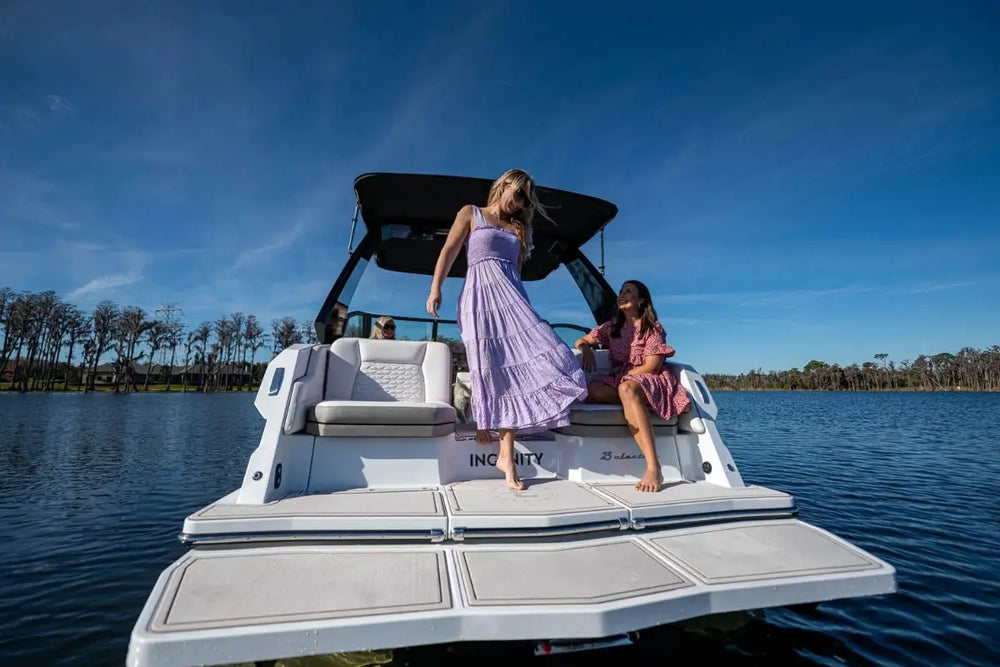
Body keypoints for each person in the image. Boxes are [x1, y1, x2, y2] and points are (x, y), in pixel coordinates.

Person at [426, 168, 587, 490]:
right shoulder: (471, 213)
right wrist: (435, 288)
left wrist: (525, 308)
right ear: (504, 186)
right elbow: (449, 251)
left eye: (526, 200)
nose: (521, 203)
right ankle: (500, 446)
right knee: (492, 368)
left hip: (513, 301)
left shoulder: (517, 229)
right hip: (479, 299)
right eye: (519, 195)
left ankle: (503, 449)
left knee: (549, 359)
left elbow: (514, 273)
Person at [573, 280, 691, 492]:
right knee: (592, 391)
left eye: (628, 291)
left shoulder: (652, 328)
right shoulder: (613, 327)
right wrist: (587, 349)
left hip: (650, 378)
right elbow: (581, 340)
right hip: (624, 380)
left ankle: (654, 467)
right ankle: (633, 402)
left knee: (627, 388)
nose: (621, 295)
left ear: (641, 300)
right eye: (621, 292)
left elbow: (652, 366)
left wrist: (625, 380)